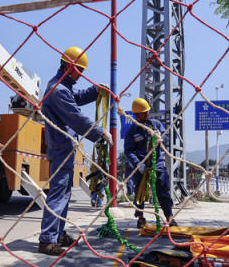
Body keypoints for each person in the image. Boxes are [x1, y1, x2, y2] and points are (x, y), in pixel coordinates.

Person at [39, 46, 113, 255]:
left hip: (65, 146)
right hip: (61, 146)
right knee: (58, 193)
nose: (80, 76)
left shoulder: (62, 87)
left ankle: (57, 233)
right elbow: (76, 117)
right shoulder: (58, 90)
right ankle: (47, 239)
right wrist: (100, 132)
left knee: (63, 193)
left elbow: (77, 97)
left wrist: (95, 90)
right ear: (70, 66)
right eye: (79, 71)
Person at [124, 98, 176, 228]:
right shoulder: (132, 131)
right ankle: (140, 218)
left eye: (147, 111)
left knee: (163, 190)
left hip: (157, 163)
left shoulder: (156, 125)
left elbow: (167, 137)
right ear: (136, 115)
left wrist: (161, 137)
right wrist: (138, 164)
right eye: (143, 112)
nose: (147, 114)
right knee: (140, 193)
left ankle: (169, 216)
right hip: (141, 166)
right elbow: (129, 151)